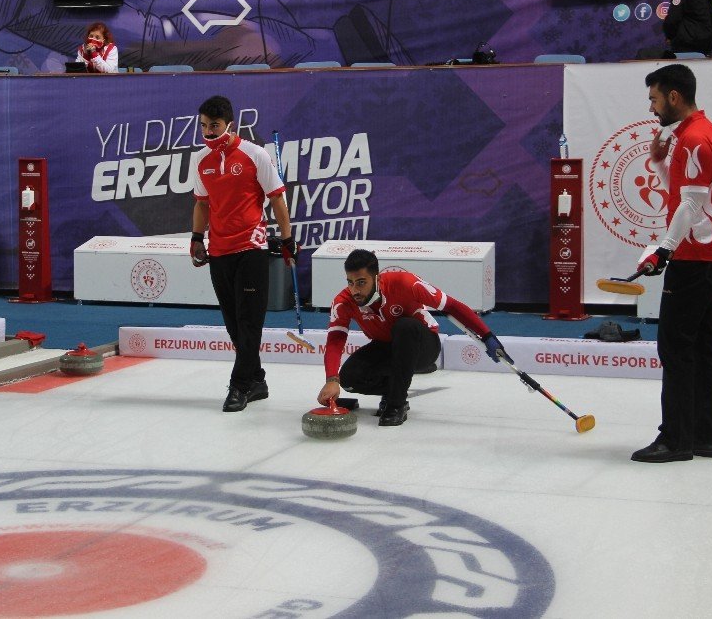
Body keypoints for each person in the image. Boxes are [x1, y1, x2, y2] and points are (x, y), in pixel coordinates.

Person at [632, 63, 712, 463]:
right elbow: (688, 195)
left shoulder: (694, 139)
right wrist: (658, 162)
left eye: (655, 99)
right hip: (710, 255)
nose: (652, 108)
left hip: (694, 258)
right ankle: (705, 437)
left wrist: (665, 249)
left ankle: (676, 440)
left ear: (674, 96)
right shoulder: (702, 132)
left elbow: (691, 205)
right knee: (704, 344)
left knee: (675, 346)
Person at [316, 249, 511, 427]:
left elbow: (452, 306)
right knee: (349, 378)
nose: (355, 290)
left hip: (423, 346)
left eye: (361, 282)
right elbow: (335, 340)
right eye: (350, 282)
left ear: (377, 278)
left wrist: (487, 337)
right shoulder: (343, 301)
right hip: (387, 347)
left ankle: (396, 403)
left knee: (405, 326)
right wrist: (332, 379)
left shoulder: (405, 283)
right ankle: (394, 389)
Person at [189, 95, 298, 412]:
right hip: (218, 250)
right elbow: (201, 203)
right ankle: (257, 380)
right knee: (235, 326)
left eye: (215, 126)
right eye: (204, 127)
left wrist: (288, 240)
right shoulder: (200, 160)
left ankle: (239, 387)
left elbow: (277, 199)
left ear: (229, 124)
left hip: (251, 248)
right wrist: (197, 238)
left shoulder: (255, 154)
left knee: (249, 324)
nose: (209, 133)